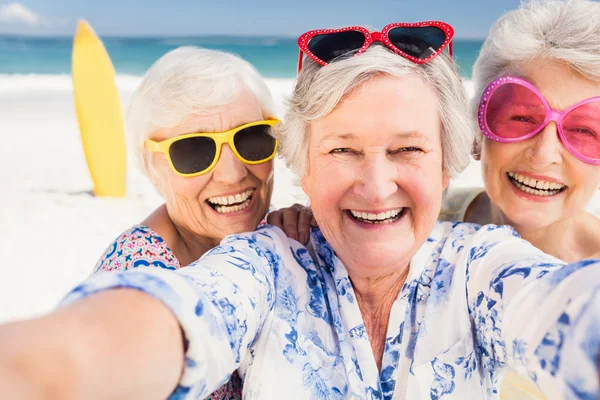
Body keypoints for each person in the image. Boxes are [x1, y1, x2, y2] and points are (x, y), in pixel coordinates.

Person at [1, 22, 599, 400]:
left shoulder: (480, 265)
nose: (375, 183)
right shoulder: (262, 262)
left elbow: (559, 313)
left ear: (448, 164)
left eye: (407, 149)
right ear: (302, 167)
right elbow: (178, 319)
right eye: (342, 150)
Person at [95, 46, 279, 399]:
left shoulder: (277, 237)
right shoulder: (141, 279)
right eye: (194, 150)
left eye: (252, 138)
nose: (232, 174)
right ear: (151, 166)